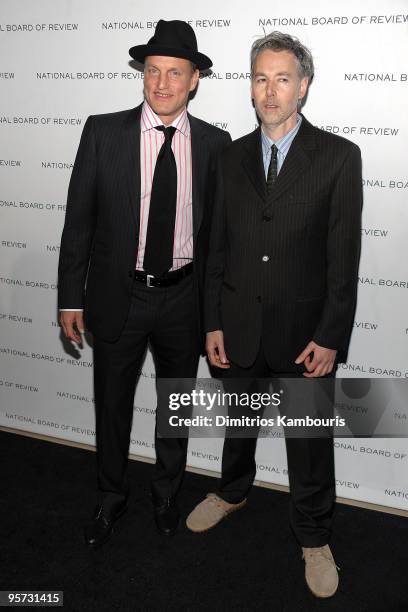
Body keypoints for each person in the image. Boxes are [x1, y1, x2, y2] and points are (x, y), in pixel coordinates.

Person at [186, 31, 362, 598]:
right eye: (260, 78)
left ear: (303, 86)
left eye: (282, 78)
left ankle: (313, 536)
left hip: (305, 337)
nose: (270, 90)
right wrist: (212, 321)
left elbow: (343, 261)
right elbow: (214, 249)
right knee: (238, 428)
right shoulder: (228, 157)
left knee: (309, 445)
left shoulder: (337, 158)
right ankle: (232, 491)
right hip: (236, 327)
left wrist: (331, 336)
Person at [58, 19, 231, 546]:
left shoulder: (217, 145)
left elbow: (221, 239)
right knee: (111, 405)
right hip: (119, 295)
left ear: (194, 79)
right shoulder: (102, 131)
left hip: (185, 297)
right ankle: (110, 498)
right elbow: (78, 221)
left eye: (174, 73)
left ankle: (165, 494)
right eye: (152, 71)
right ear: (142, 74)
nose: (161, 83)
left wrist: (218, 314)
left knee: (175, 405)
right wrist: (70, 297)